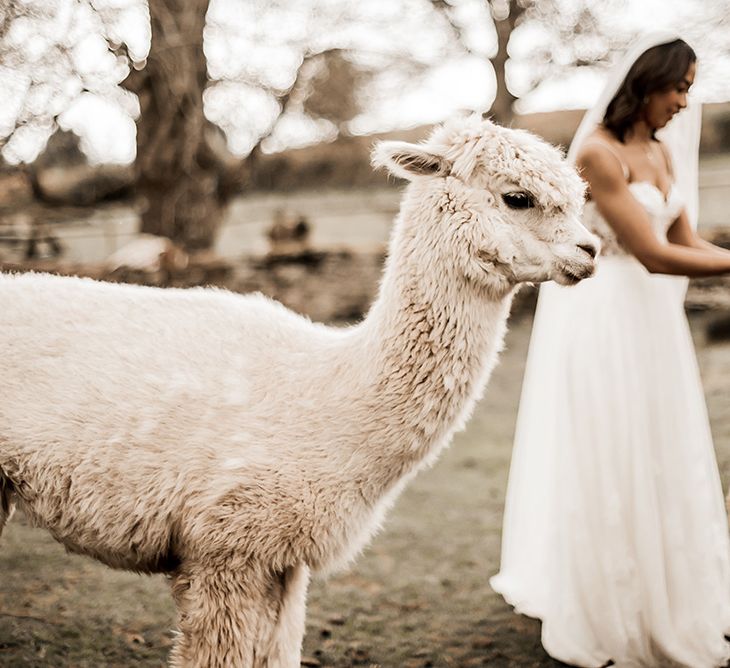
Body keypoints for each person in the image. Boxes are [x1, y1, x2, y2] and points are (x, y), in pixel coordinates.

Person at [490, 32, 730, 668]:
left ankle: (671, 592)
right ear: (646, 85)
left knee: (661, 442)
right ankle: (614, 601)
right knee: (614, 447)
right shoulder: (598, 153)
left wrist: (726, 259)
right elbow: (651, 255)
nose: (685, 101)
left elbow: (684, 236)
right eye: (677, 87)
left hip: (655, 323)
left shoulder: (660, 148)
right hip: (607, 316)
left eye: (689, 88)